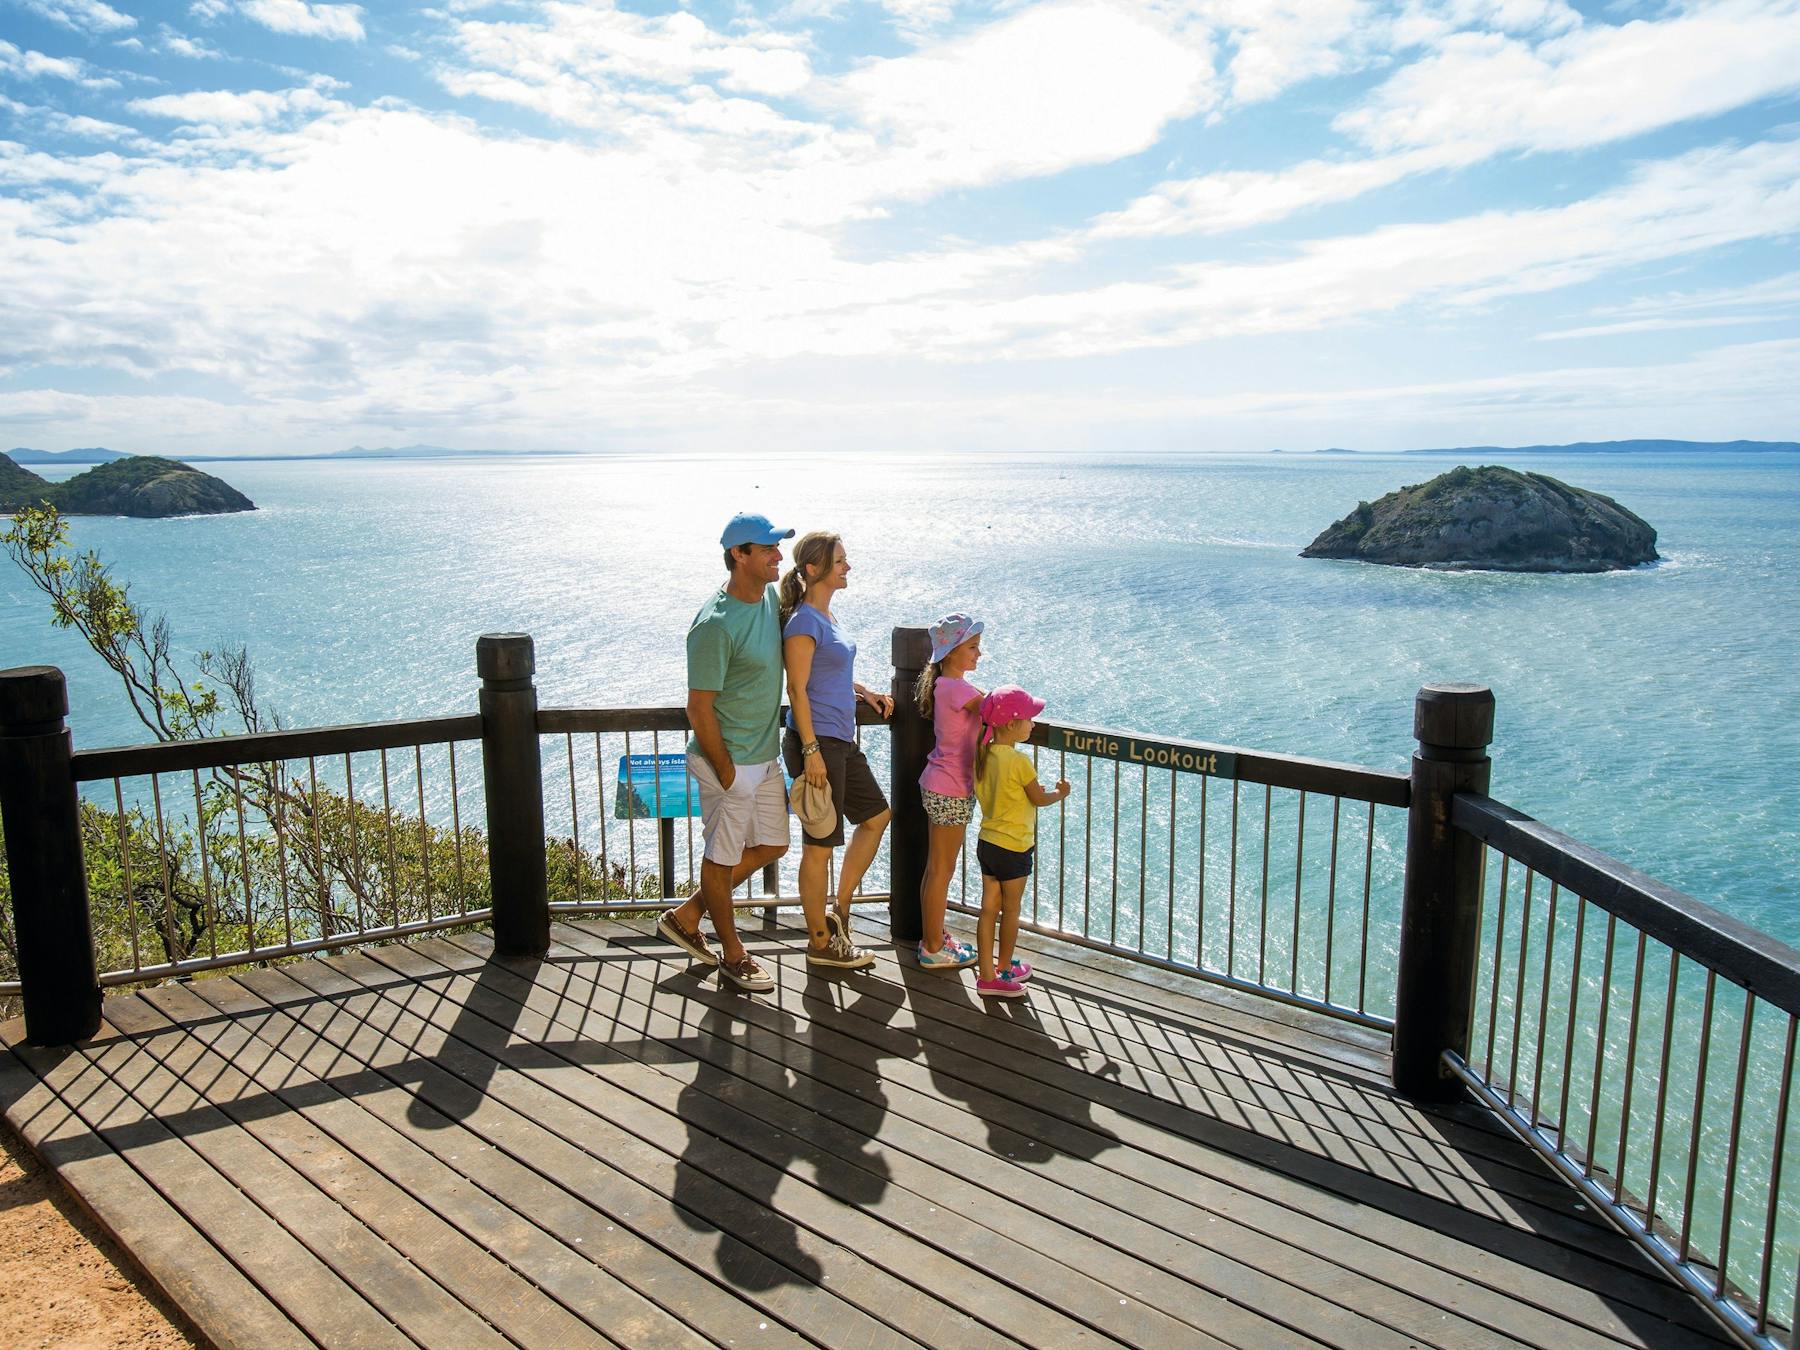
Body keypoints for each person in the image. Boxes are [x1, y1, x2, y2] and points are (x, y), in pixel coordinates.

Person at [657, 511, 793, 993]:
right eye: (769, 548)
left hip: (765, 758)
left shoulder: (769, 598)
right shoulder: (714, 625)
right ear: (739, 555)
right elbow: (698, 708)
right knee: (721, 856)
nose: (779, 556)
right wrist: (727, 770)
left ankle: (689, 914)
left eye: (778, 547)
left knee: (775, 845)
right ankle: (734, 956)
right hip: (728, 761)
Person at [778, 532, 893, 970]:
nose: (848, 567)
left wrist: (864, 691)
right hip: (818, 743)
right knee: (819, 846)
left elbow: (831, 672)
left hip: (839, 741)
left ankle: (839, 910)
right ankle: (820, 943)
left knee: (877, 816)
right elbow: (797, 688)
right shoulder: (804, 622)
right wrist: (810, 751)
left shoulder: (828, 617)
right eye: (841, 561)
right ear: (813, 569)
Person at [972, 685, 1072, 998]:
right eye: (1029, 719)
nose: (1033, 725)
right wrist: (1060, 793)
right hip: (1014, 847)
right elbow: (1038, 799)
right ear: (1011, 724)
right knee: (1011, 911)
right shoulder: (1019, 762)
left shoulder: (983, 755)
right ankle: (1002, 971)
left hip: (988, 842)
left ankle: (986, 974)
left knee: (989, 910)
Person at [913, 613, 984, 969]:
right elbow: (996, 710)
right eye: (972, 647)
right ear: (952, 652)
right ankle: (932, 947)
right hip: (952, 789)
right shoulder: (960, 690)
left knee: (934, 869)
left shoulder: (943, 686)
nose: (978, 654)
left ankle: (934, 937)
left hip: (938, 783)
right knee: (942, 869)